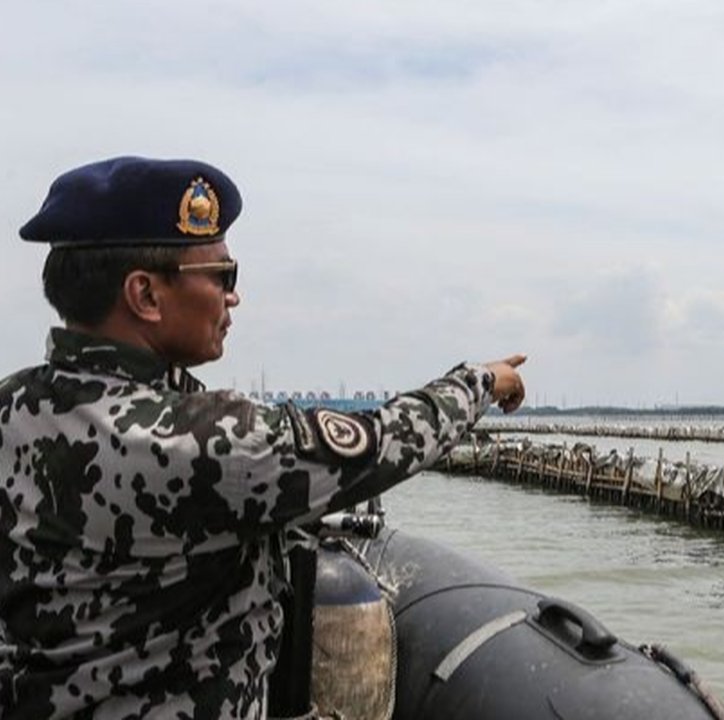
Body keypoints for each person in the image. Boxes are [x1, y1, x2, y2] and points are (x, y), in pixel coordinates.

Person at [0, 157, 526, 718]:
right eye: (222, 276)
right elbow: (383, 442)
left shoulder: (12, 408)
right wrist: (481, 382)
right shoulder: (201, 441)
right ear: (146, 295)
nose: (234, 298)